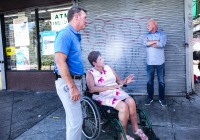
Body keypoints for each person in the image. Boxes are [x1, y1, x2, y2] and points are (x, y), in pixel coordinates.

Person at [86, 51, 148, 140]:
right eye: (100, 59)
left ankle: (136, 129)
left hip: (115, 91)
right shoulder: (90, 73)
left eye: (102, 57)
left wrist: (125, 81)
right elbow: (91, 89)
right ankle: (123, 135)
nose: (103, 59)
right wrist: (108, 87)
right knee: (123, 107)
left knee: (131, 101)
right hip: (103, 95)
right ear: (94, 63)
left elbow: (119, 81)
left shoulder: (108, 67)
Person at [54, 6, 87, 140]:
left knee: (73, 121)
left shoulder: (74, 35)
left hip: (74, 82)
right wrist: (72, 87)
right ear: (76, 16)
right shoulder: (65, 34)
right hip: (69, 84)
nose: (86, 21)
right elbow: (60, 62)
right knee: (76, 122)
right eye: (85, 17)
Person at [142, 19, 167, 106]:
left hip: (160, 62)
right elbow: (144, 43)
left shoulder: (162, 34)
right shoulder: (146, 35)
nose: (147, 26)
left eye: (148, 24)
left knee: (161, 81)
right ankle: (150, 98)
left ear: (154, 25)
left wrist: (150, 43)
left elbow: (162, 44)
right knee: (149, 81)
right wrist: (156, 41)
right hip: (150, 62)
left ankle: (162, 98)